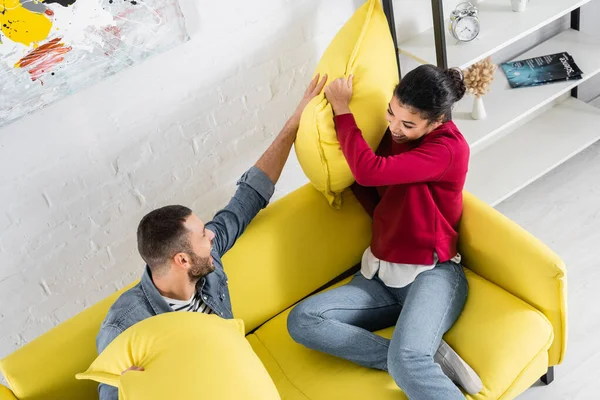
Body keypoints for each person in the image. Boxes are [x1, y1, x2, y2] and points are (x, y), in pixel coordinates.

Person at [95, 74, 328, 400]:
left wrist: (294, 124)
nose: (212, 237)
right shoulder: (125, 328)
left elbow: (247, 198)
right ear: (182, 260)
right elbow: (110, 393)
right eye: (203, 235)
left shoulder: (204, 262)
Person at [287, 65, 482, 399]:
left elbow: (368, 171)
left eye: (408, 124)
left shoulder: (447, 149)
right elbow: (377, 191)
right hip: (379, 274)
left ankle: (411, 358)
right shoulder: (396, 135)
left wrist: (342, 111)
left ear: (436, 121)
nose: (394, 128)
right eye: (390, 113)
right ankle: (423, 356)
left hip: (431, 275)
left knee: (407, 361)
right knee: (303, 320)